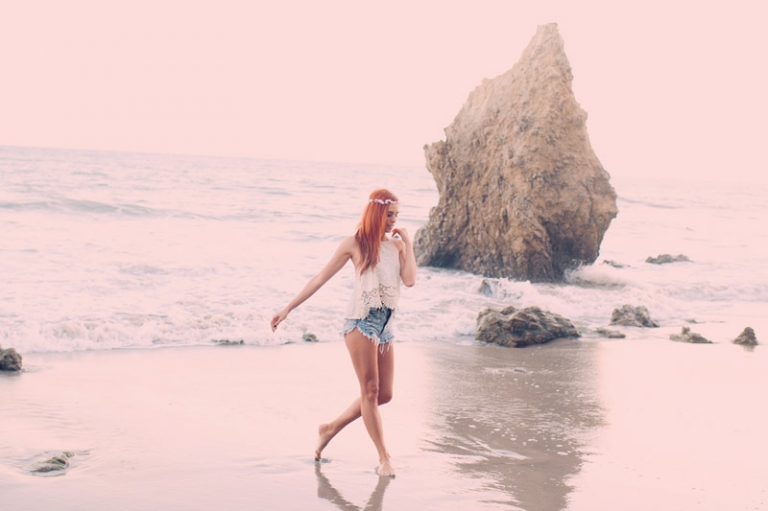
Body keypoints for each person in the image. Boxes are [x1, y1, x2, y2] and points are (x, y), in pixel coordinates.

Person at [270, 188, 417, 477]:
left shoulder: (397, 246)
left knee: (384, 394)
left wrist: (408, 244)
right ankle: (384, 458)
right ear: (376, 213)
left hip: (385, 326)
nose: (393, 220)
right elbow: (320, 278)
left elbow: (410, 280)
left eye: (397, 215)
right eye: (389, 215)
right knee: (370, 391)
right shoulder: (354, 244)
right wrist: (288, 308)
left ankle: (329, 429)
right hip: (360, 322)